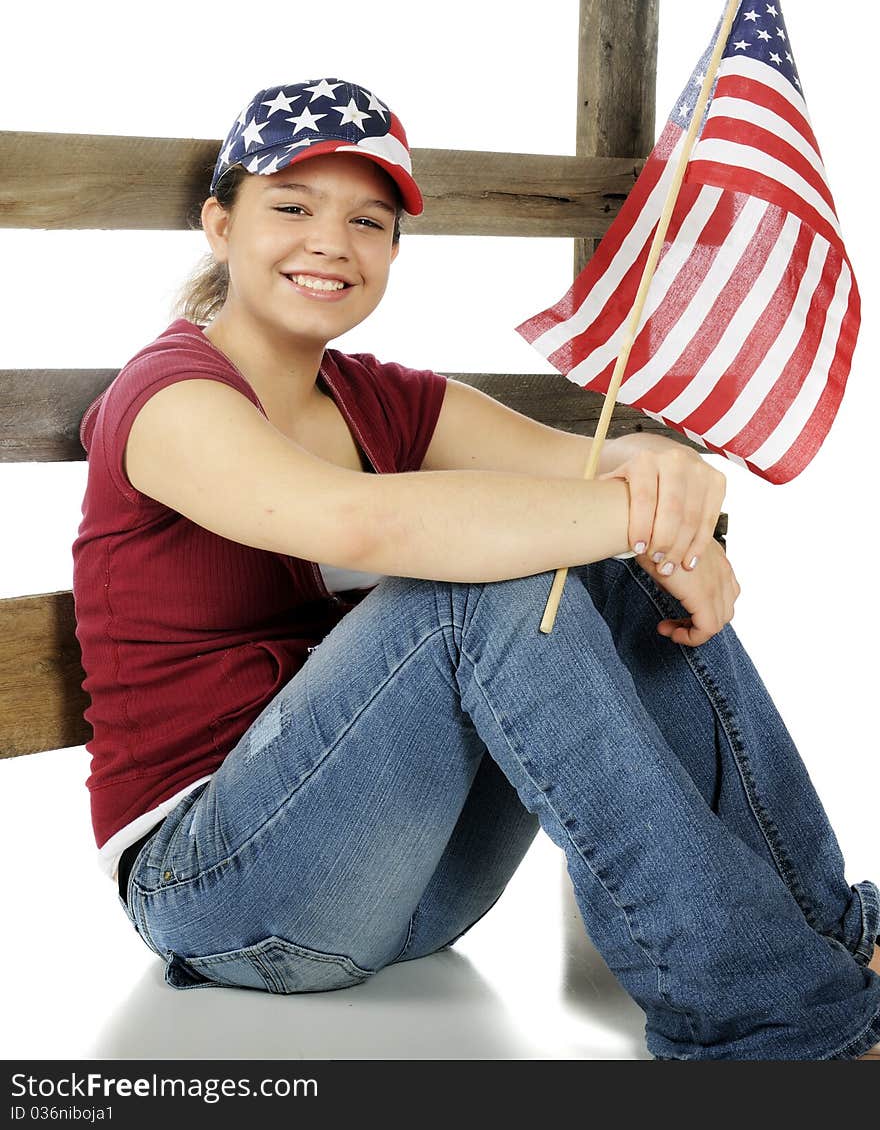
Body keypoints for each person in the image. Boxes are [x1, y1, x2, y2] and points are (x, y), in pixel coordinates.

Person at [71, 76, 880, 1061]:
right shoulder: (168, 399)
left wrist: (677, 498)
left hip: (405, 889)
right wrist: (642, 523)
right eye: (290, 206)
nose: (331, 240)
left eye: (368, 221)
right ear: (219, 225)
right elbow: (359, 526)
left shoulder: (387, 399)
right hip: (219, 891)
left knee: (602, 568)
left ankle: (837, 941)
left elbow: (593, 465)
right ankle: (770, 1027)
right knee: (480, 593)